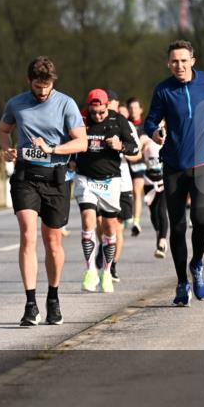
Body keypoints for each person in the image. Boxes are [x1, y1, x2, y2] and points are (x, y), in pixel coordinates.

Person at [0, 57, 87, 327]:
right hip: (25, 175)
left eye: (47, 87)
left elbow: (81, 142)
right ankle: (30, 303)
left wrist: (53, 149)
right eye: (38, 87)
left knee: (53, 241)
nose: (43, 92)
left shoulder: (65, 103)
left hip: (56, 178)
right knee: (27, 234)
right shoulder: (16, 103)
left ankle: (53, 298)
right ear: (29, 82)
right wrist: (7, 148)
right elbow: (3, 130)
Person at [144, 40, 204, 306]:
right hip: (172, 165)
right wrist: (155, 132)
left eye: (184, 60)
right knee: (178, 226)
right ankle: (182, 282)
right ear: (168, 63)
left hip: (203, 163)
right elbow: (150, 120)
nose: (179, 65)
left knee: (202, 220)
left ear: (193, 60)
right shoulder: (163, 90)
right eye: (174, 61)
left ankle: (197, 264)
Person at [74, 90, 140, 294]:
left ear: (107, 106)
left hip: (111, 180)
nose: (98, 116)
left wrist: (120, 146)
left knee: (110, 228)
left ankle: (106, 271)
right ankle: (90, 270)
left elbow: (134, 148)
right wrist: (70, 161)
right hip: (85, 178)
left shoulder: (118, 120)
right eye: (94, 113)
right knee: (88, 220)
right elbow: (66, 139)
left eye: (101, 112)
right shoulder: (80, 118)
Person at [140, 123, 169, 257]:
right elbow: (137, 151)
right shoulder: (146, 139)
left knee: (162, 210)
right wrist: (142, 144)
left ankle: (162, 241)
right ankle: (159, 232)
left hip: (163, 181)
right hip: (149, 181)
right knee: (153, 212)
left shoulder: (169, 139)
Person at [125, 97, 147, 234]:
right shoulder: (125, 124)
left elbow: (145, 145)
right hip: (125, 164)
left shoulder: (145, 126)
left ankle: (136, 221)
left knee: (136, 191)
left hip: (139, 163)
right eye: (130, 108)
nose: (133, 110)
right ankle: (128, 216)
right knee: (128, 192)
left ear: (141, 109)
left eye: (135, 108)